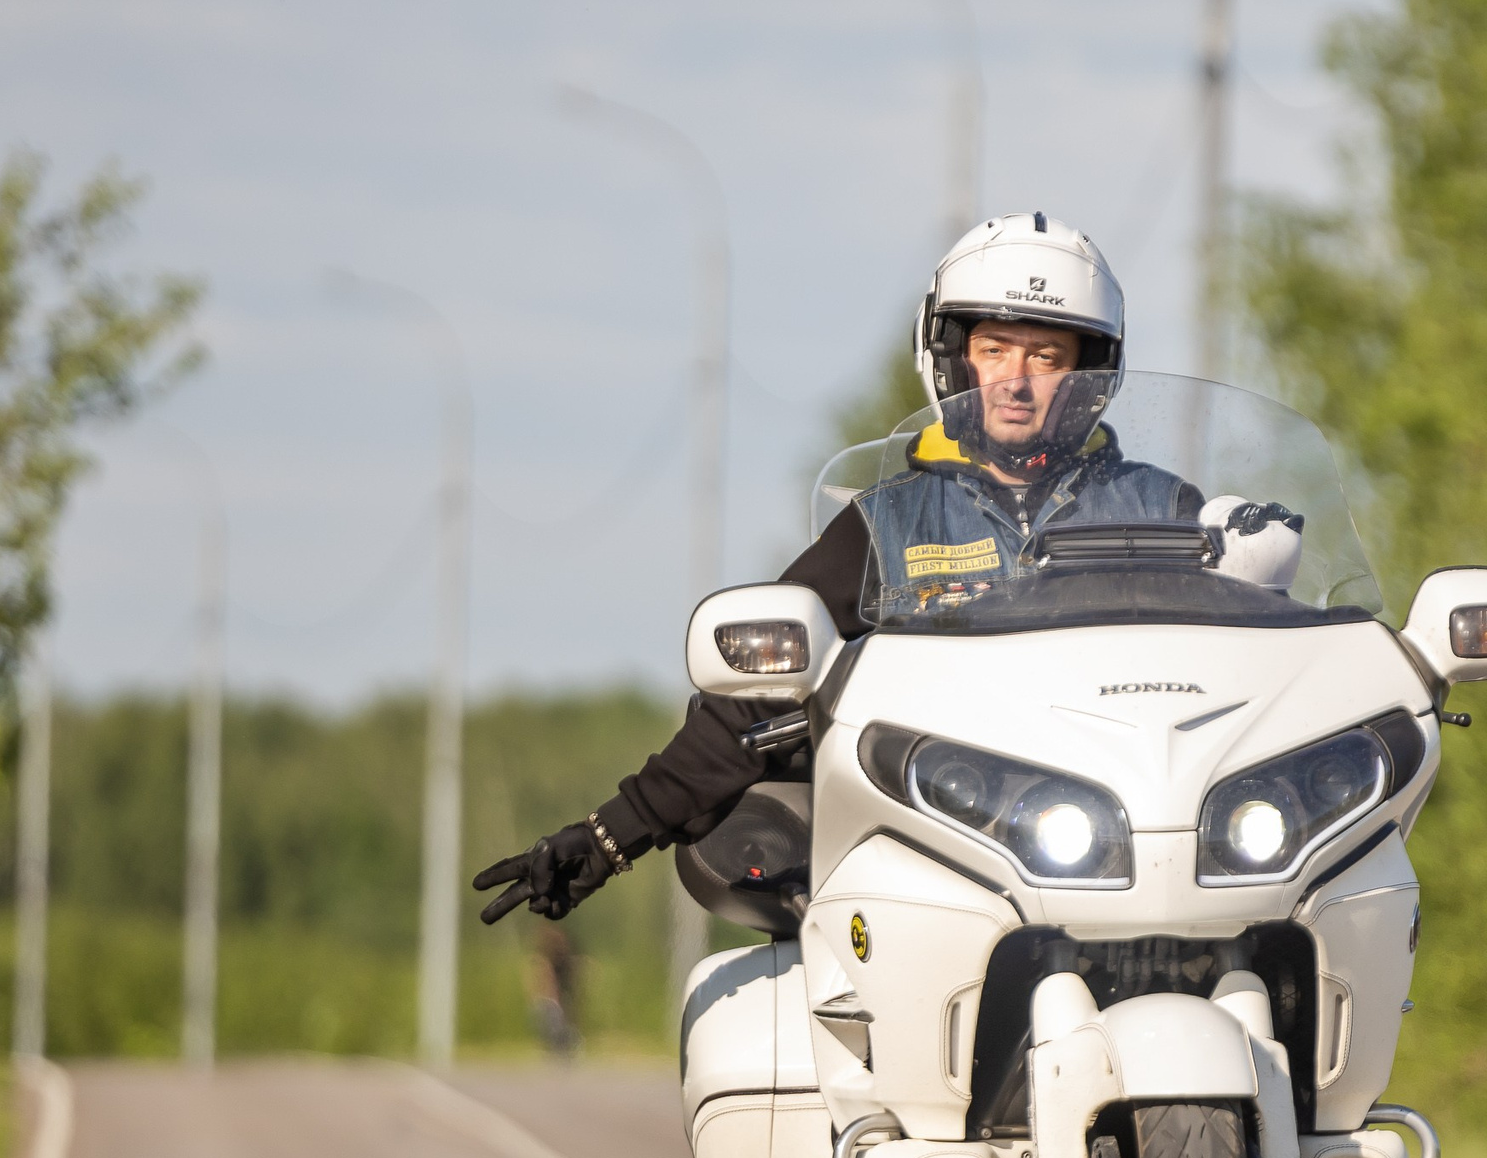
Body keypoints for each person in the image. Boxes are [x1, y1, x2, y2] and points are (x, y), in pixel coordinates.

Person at [474, 210, 1201, 928]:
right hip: (952, 852)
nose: (1016, 379)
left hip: (1128, 846)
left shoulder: (1163, 509)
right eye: (996, 348)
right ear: (953, 356)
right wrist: (609, 835)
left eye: (1046, 356)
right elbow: (750, 698)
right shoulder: (887, 527)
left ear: (1088, 374)